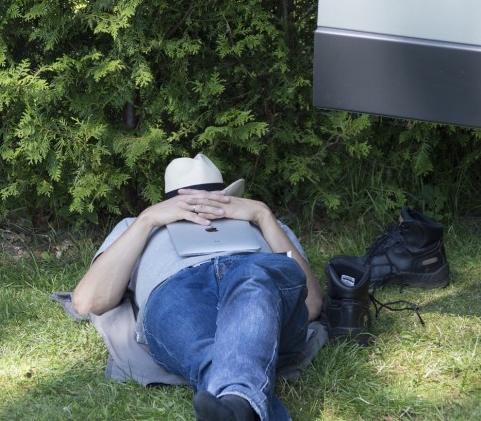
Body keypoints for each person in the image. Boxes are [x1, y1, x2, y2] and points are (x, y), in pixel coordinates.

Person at [73, 154, 324, 421]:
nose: (203, 211)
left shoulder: (263, 221)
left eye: (213, 202)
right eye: (191, 204)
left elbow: (310, 304)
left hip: (249, 273)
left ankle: (234, 404)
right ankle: (238, 404)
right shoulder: (135, 225)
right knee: (203, 345)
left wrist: (263, 215)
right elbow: (88, 301)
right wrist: (147, 220)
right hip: (177, 287)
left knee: (253, 280)